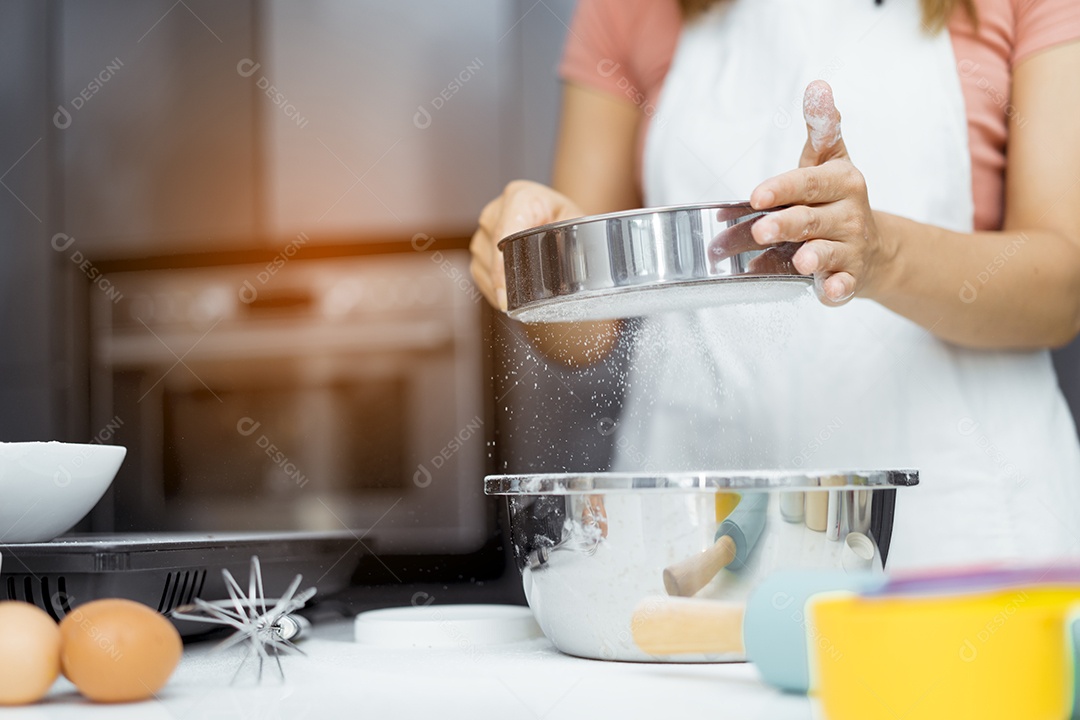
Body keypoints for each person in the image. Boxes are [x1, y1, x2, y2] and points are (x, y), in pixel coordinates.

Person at [470, 0, 1080, 570]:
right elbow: (587, 326)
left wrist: (880, 255)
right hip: (691, 537)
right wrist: (537, 267)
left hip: (956, 534)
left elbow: (1063, 287)